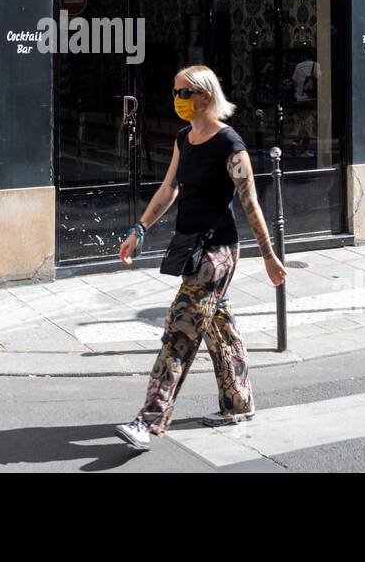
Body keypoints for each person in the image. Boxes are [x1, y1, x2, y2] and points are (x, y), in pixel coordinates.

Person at [114, 65, 287, 451]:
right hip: (192, 246)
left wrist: (269, 255)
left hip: (218, 252)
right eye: (174, 92)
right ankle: (238, 402)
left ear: (206, 95)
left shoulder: (231, 145)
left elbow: (251, 204)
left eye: (183, 93)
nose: (177, 100)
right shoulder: (184, 138)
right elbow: (168, 188)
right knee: (217, 325)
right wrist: (139, 229)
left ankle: (148, 420)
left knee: (180, 329)